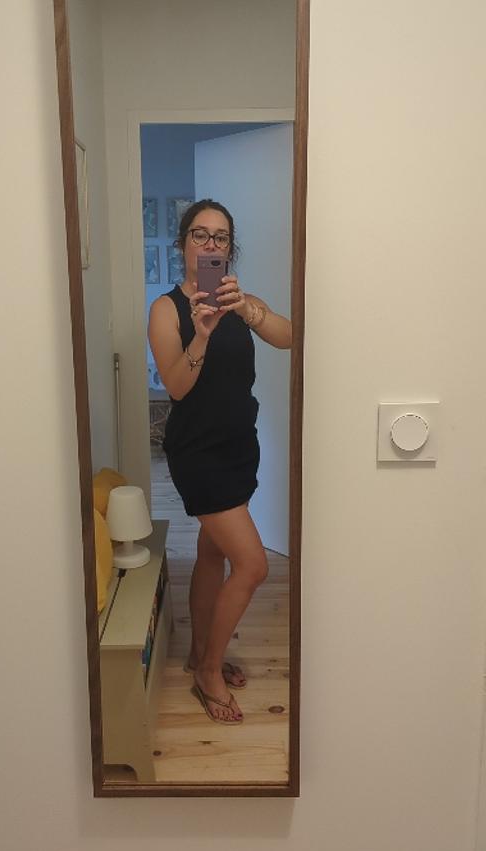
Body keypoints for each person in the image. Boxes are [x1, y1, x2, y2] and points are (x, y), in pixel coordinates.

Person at [148, 199, 292, 724]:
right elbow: (177, 387)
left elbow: (288, 336)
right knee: (253, 565)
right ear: (183, 243)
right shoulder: (167, 309)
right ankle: (209, 671)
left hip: (238, 445)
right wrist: (202, 333)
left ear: (230, 249)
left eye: (221, 237)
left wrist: (246, 310)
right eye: (200, 234)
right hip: (198, 452)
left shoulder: (240, 300)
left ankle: (196, 653)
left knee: (211, 554)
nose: (211, 244)